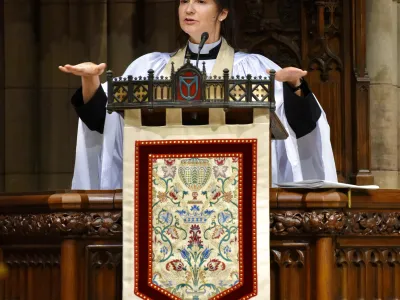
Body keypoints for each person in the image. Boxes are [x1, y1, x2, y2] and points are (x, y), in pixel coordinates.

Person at [59, 0, 337, 190]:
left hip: (235, 195)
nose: (188, 9)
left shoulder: (256, 69)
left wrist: (295, 87)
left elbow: (304, 127)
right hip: (163, 195)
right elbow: (102, 122)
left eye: (201, 1)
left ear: (223, 13)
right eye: (183, 1)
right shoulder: (149, 68)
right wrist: (91, 79)